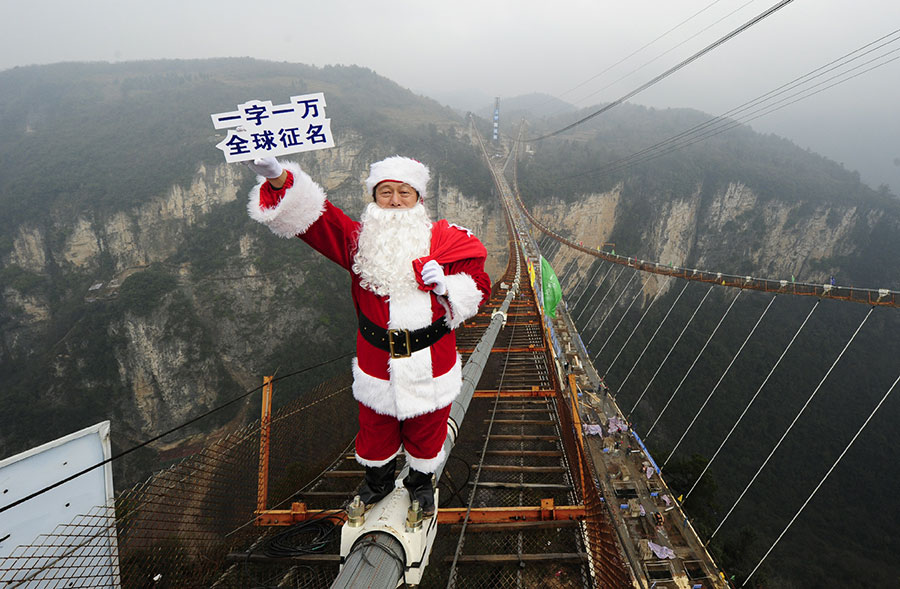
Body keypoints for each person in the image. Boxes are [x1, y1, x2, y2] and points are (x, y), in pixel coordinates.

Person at [245, 155, 491, 516]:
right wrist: (279, 177)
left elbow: (480, 284)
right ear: (374, 198)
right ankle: (377, 482)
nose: (394, 201)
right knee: (376, 428)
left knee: (429, 427)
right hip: (379, 360)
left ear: (418, 198)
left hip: (432, 357)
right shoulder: (360, 241)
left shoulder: (448, 241)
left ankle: (421, 482)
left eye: (403, 193)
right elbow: (319, 220)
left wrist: (448, 285)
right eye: (385, 192)